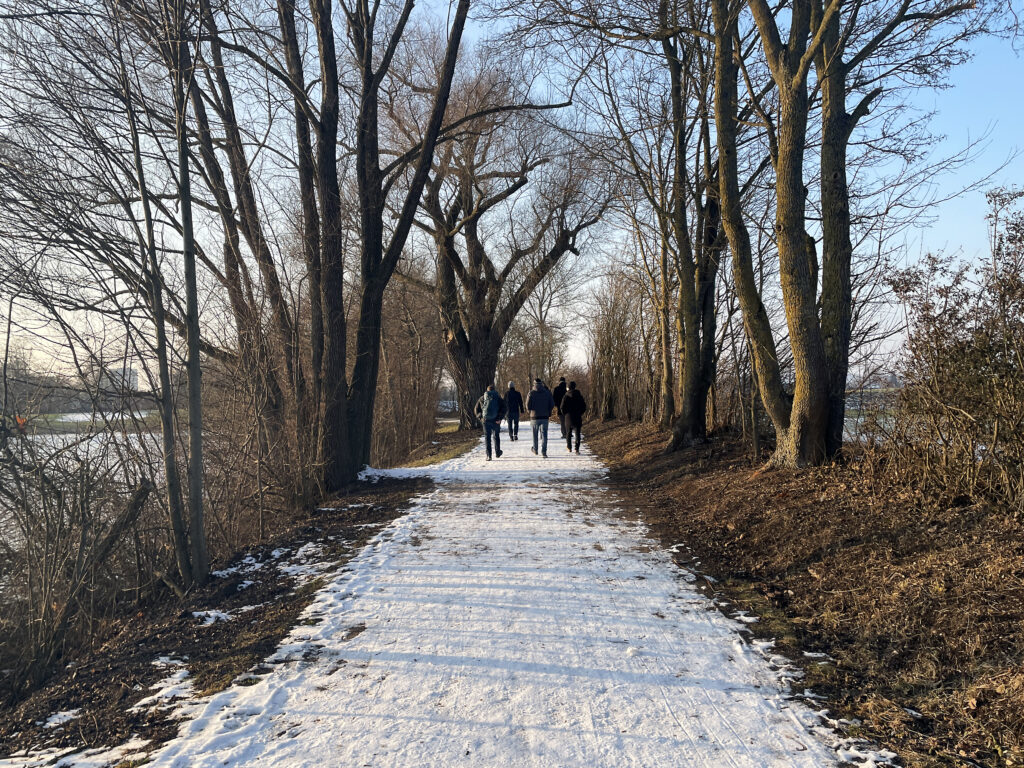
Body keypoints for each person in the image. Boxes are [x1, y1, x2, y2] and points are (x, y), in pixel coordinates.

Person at [474, 384, 507, 461]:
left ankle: (489, 455)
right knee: (496, 436)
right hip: (496, 420)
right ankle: (498, 452)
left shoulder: (482, 399)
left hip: (486, 421)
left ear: (487, 390)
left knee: (487, 437)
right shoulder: (498, 398)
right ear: (494, 390)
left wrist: (481, 418)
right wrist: (500, 418)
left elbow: (476, 410)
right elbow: (504, 408)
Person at [526, 378, 555, 458]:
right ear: (541, 384)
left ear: (534, 384)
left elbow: (527, 405)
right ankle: (544, 452)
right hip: (545, 416)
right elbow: (552, 404)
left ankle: (535, 449)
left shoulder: (531, 393)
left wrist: (530, 412)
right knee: (544, 434)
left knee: (535, 434)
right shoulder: (547, 393)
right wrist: (548, 411)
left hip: (534, 417)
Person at [560, 381, 587, 454]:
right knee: (577, 433)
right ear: (575, 387)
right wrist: (580, 413)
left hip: (568, 417)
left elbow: (562, 407)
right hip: (577, 416)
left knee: (568, 433)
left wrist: (565, 414)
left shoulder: (566, 396)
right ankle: (577, 449)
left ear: (568, 387)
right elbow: (584, 406)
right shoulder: (579, 396)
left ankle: (569, 447)